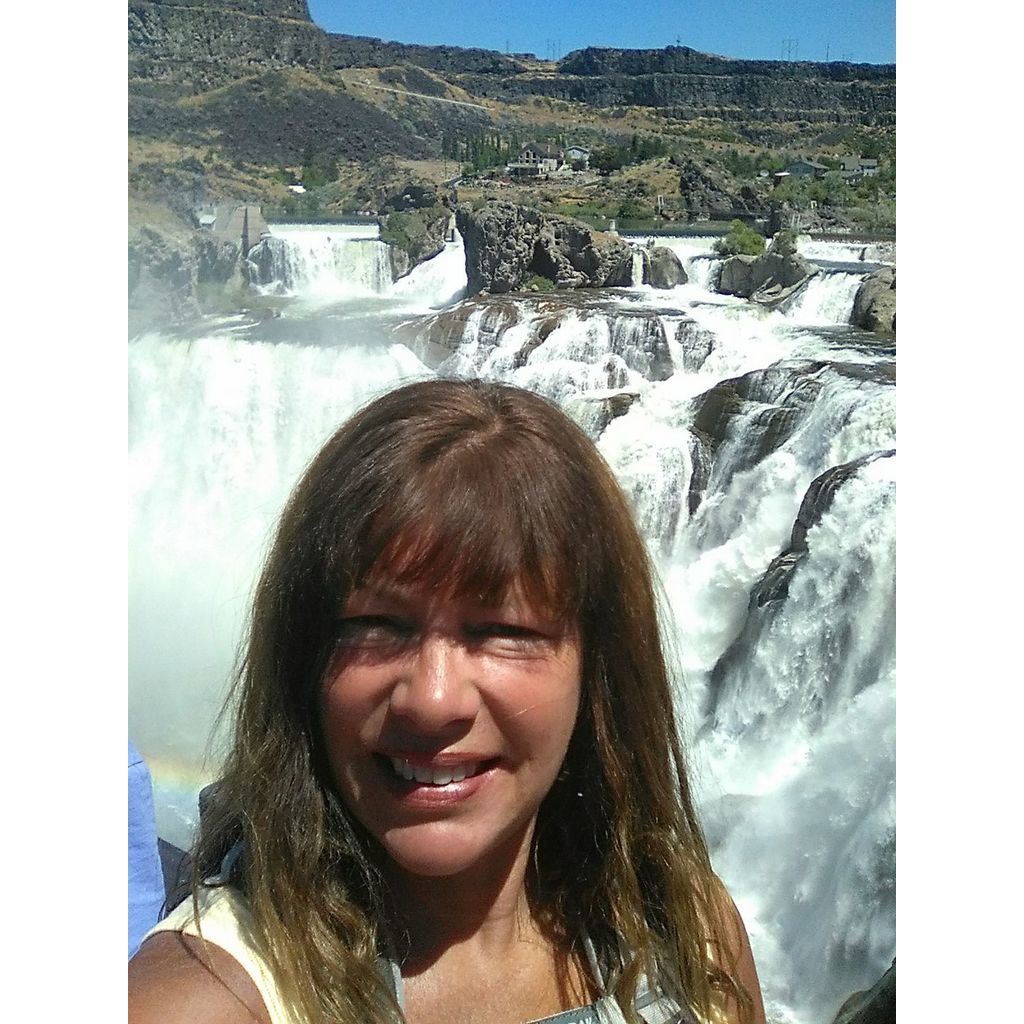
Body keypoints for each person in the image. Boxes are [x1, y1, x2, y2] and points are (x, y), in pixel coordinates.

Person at [129, 379, 765, 1024]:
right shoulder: (202, 1000)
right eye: (377, 624)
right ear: (304, 662)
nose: (433, 701)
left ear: (599, 670)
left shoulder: (692, 936)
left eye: (504, 630)